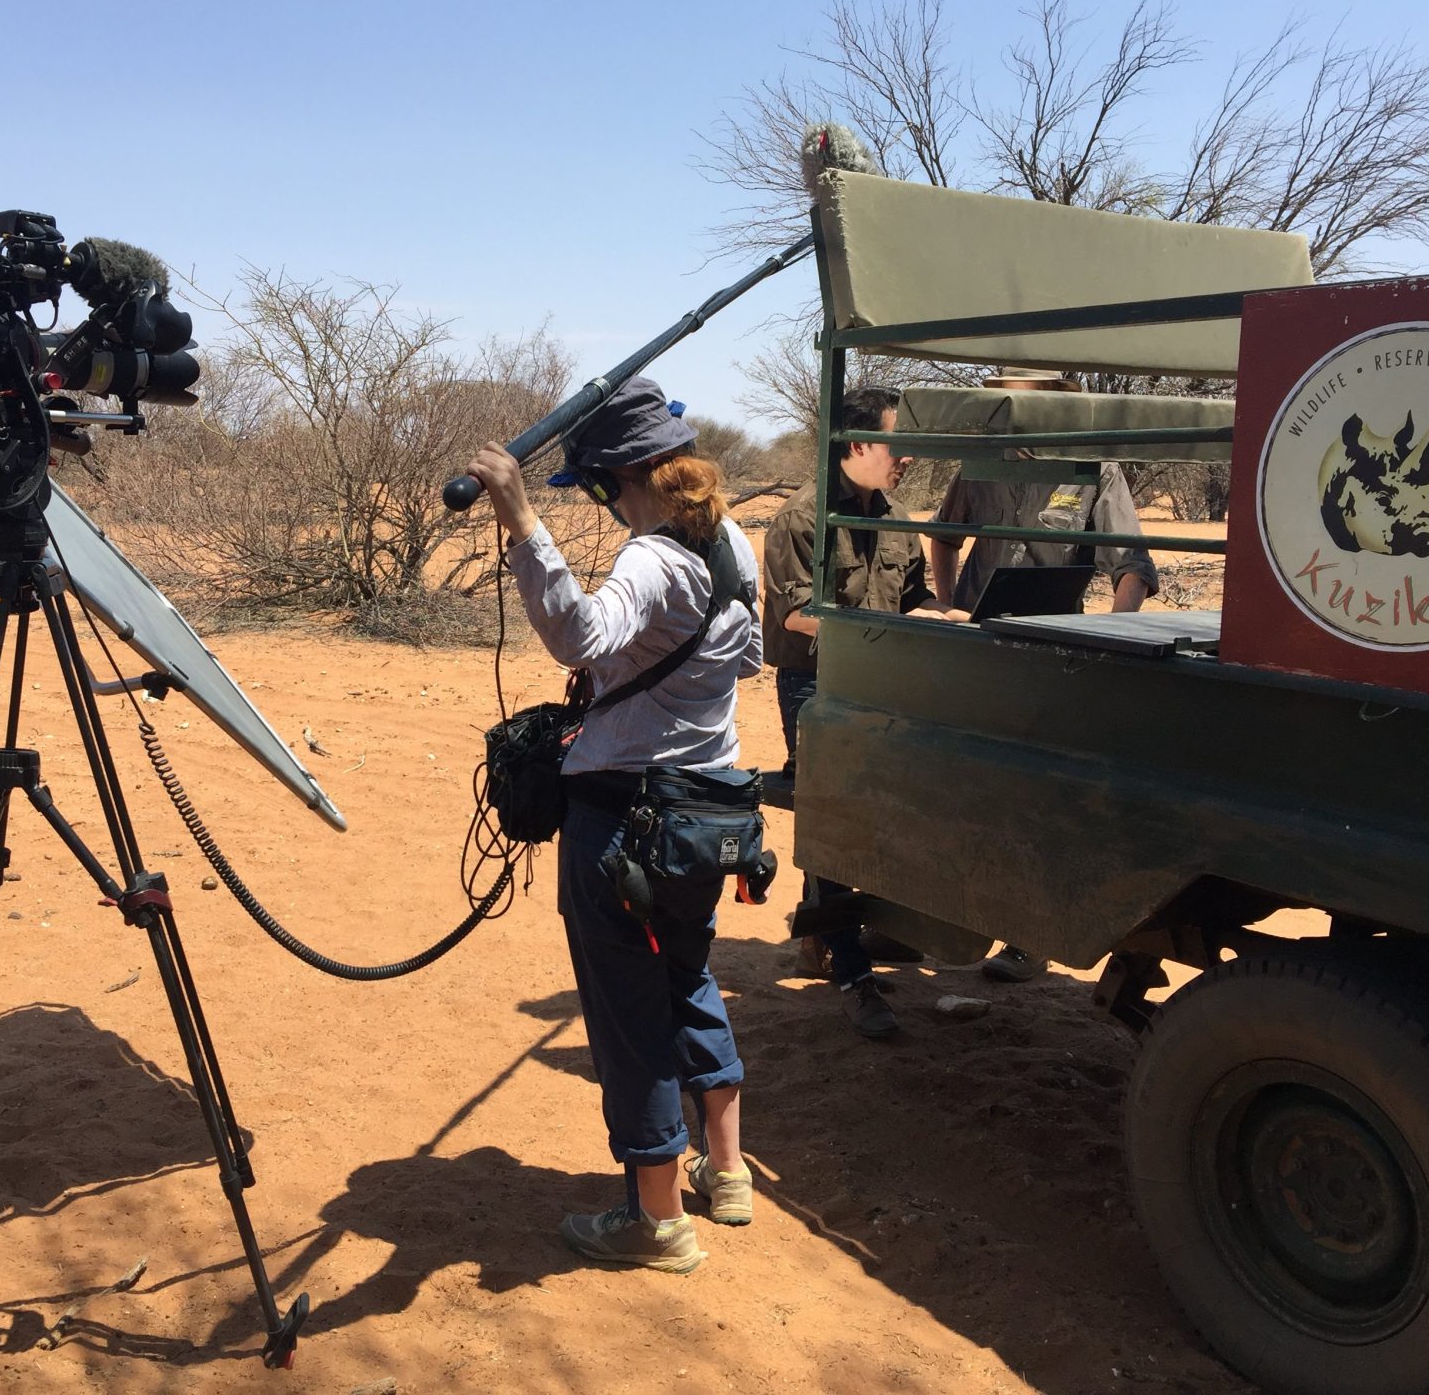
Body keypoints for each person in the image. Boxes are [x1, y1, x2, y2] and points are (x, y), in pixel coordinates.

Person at [465, 377, 760, 1272]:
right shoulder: (731, 543)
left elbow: (578, 636)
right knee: (689, 980)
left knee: (629, 1015)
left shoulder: (653, 559)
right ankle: (728, 1173)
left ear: (612, 481)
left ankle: (656, 1219)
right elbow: (747, 651)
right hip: (708, 814)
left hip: (626, 822)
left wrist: (521, 520)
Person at [926, 371, 1160, 983]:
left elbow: (1130, 563)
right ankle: (954, 920)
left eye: (1025, 394)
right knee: (965, 782)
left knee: (1042, 797)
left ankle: (1032, 939)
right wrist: (949, 603)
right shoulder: (981, 463)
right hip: (979, 644)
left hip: (1052, 652)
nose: (1012, 407)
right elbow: (944, 537)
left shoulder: (1093, 468)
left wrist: (1113, 636)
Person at [760, 385, 966, 1036]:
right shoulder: (801, 520)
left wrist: (950, 615)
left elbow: (912, 597)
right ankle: (854, 975)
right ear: (858, 444)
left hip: (881, 688)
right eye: (896, 446)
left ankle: (824, 935)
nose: (906, 459)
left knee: (872, 813)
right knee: (840, 822)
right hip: (818, 688)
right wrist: (885, 630)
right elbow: (797, 614)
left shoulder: (894, 515)